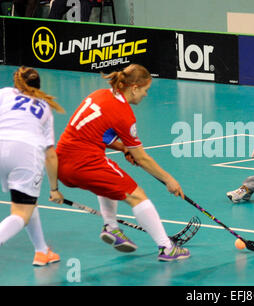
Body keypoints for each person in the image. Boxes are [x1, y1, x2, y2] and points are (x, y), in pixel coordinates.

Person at [56, 63, 190, 261]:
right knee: (138, 196)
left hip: (60, 163)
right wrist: (169, 179)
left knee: (108, 182)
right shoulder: (124, 114)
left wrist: (123, 148)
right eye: (145, 90)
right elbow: (142, 158)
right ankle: (167, 247)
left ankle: (111, 227)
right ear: (134, 88)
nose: (146, 95)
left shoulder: (100, 95)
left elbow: (102, 135)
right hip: (84, 162)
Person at [0, 66, 65, 266]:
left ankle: (42, 251)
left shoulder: (4, 94)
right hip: (26, 156)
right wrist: (54, 189)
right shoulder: (45, 107)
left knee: (28, 204)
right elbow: (50, 155)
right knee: (21, 213)